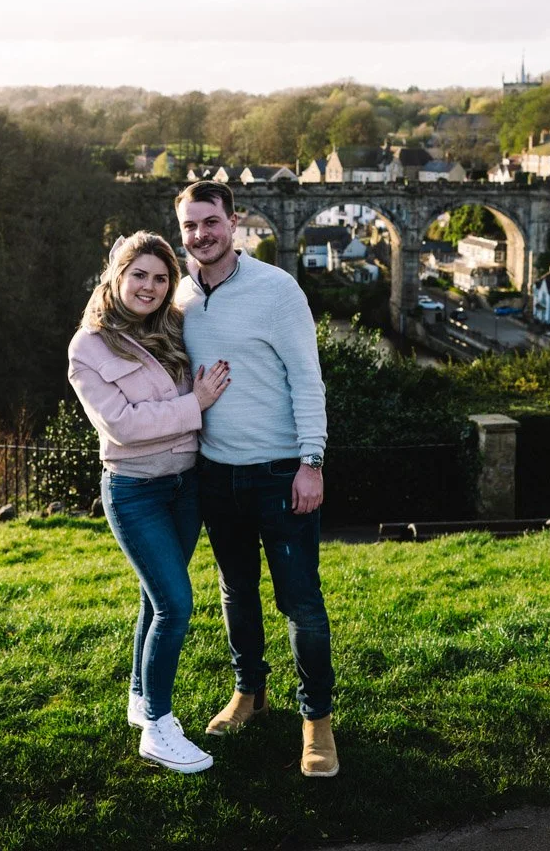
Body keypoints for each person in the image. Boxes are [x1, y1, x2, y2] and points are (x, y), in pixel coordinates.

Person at [174, 182, 338, 778]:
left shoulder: (277, 289)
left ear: (233, 222)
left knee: (301, 601)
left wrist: (311, 462)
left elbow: (307, 379)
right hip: (216, 474)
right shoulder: (180, 296)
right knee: (236, 592)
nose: (201, 235)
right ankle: (249, 693)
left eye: (210, 222)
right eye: (190, 226)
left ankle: (316, 721)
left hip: (280, 473)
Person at [68, 231, 230, 774]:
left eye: (161, 278)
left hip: (185, 486)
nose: (150, 287)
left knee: (153, 598)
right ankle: (159, 728)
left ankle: (140, 698)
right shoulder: (88, 346)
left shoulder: (173, 327)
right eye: (139, 274)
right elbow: (123, 425)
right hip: (135, 491)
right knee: (175, 605)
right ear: (117, 275)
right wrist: (196, 403)